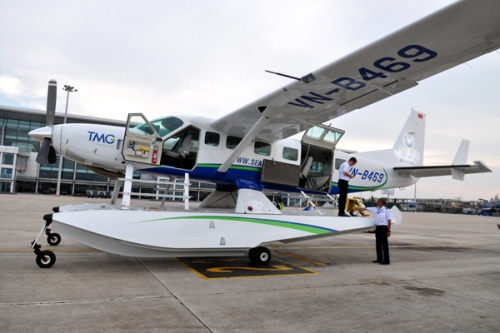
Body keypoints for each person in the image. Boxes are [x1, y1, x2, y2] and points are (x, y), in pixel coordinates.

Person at [364, 198, 392, 265]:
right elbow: (365, 208)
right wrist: (355, 209)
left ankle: (386, 261)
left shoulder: (386, 210)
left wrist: (388, 230)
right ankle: (379, 259)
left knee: (384, 245)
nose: (377, 202)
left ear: (381, 202)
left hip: (384, 228)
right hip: (378, 228)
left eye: (378, 201)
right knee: (378, 244)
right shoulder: (375, 209)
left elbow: (389, 221)